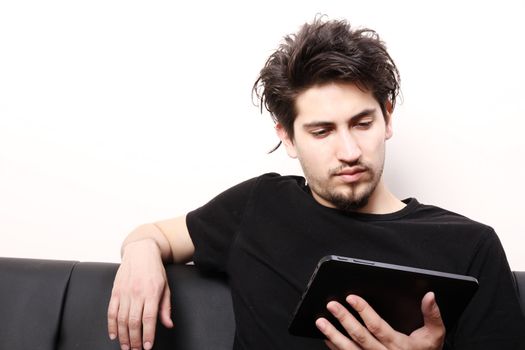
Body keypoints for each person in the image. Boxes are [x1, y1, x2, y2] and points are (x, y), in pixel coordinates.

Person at [106, 17, 525, 350]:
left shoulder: (471, 245)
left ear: (388, 118)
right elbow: (156, 234)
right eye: (322, 132)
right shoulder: (260, 204)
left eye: (362, 123)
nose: (348, 151)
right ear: (287, 137)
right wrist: (140, 254)